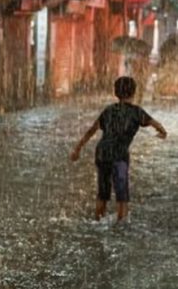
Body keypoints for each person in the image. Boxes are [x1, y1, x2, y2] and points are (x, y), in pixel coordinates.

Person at [70, 76, 166, 223]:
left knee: (103, 192)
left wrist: (77, 149)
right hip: (119, 156)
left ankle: (98, 220)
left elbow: (91, 130)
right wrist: (163, 133)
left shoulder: (109, 110)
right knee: (122, 195)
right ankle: (121, 226)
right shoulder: (137, 112)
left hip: (102, 153)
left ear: (116, 93)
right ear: (134, 92)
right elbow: (157, 125)